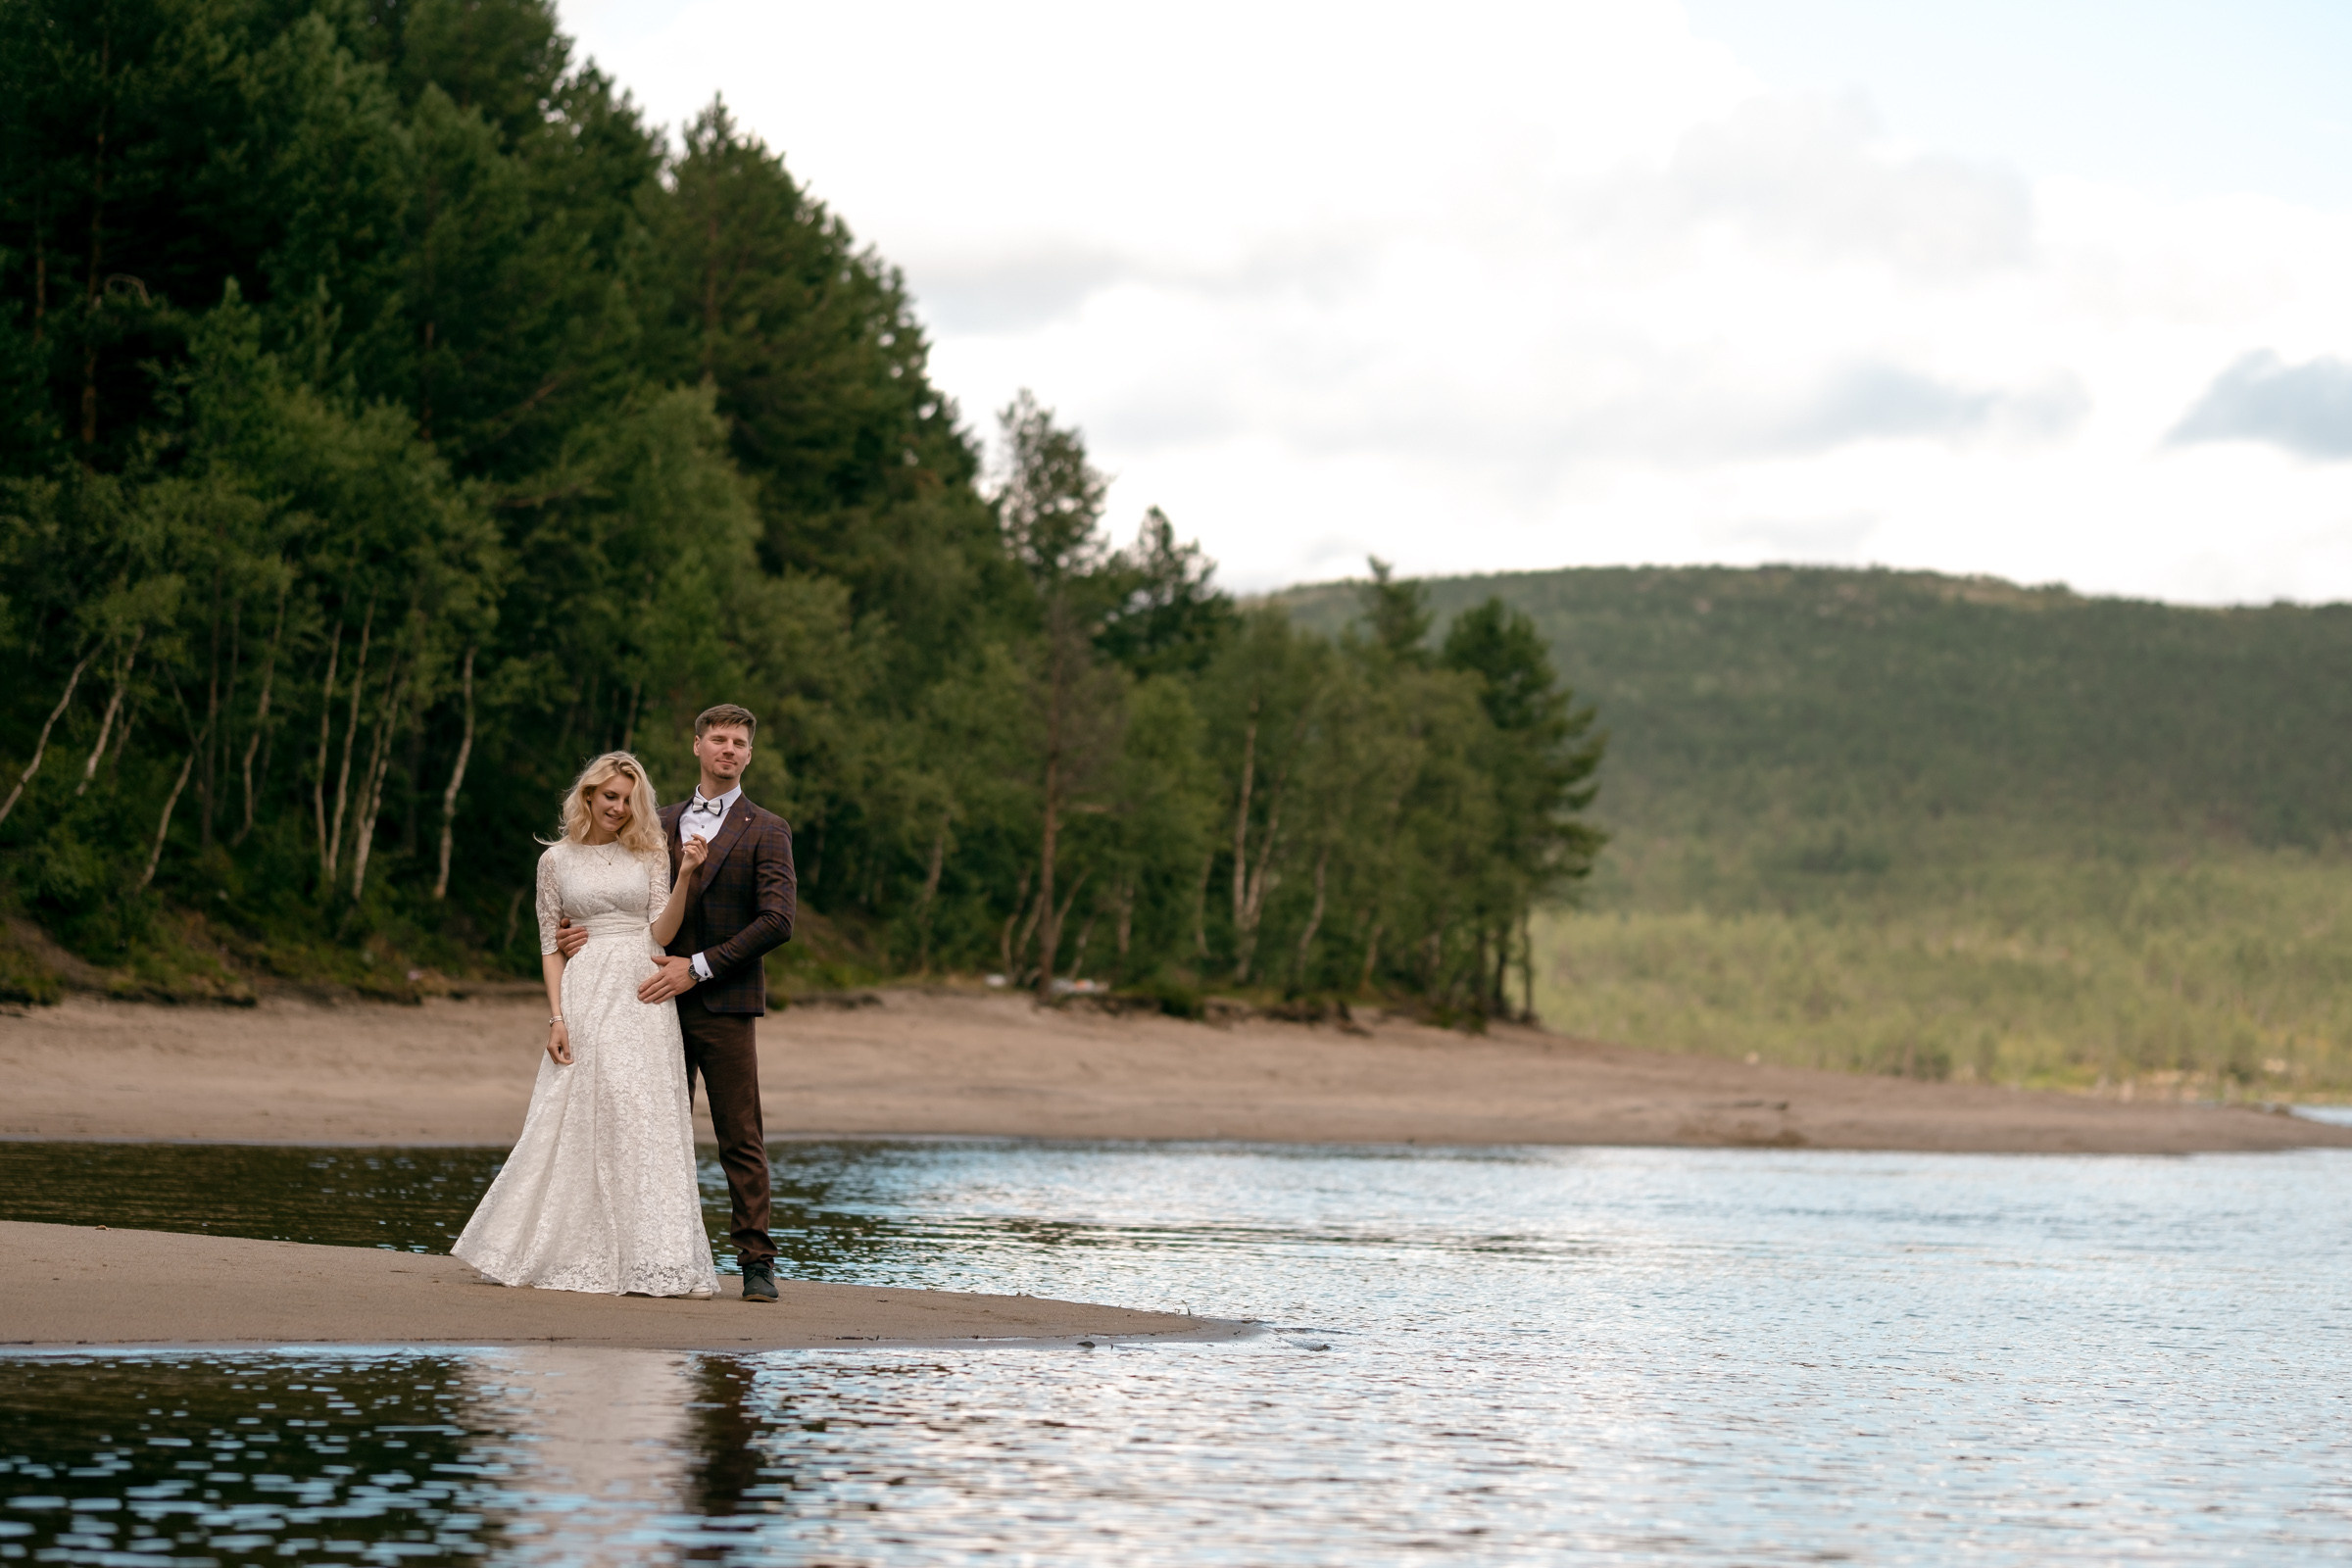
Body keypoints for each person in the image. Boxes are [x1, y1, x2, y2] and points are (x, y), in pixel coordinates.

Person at [453, 752, 720, 1298]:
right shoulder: (554, 861)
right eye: (609, 797)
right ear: (589, 797)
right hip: (583, 990)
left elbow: (663, 935)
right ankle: (566, 1247)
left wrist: (687, 875)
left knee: (640, 1114)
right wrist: (556, 1017)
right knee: (575, 1111)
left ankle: (652, 1258)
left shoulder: (650, 854)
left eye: (628, 799)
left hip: (642, 992)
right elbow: (551, 946)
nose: (619, 808)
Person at [555, 704, 796, 1301]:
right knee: (648, 1129)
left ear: (749, 754)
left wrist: (701, 966)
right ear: (697, 746)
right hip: (640, 1001)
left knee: (739, 1133)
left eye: (740, 742)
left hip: (723, 1001)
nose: (729, 750)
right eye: (719, 739)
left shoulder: (768, 828)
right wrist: (574, 931)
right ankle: (644, 1253)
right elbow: (601, 885)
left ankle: (756, 1261)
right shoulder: (651, 823)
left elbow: (777, 920)